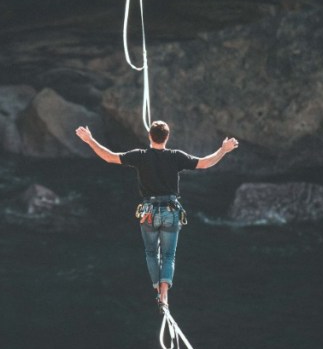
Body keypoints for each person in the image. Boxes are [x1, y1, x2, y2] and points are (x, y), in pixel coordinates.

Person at [75, 121, 238, 310]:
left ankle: (157, 289)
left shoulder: (140, 156)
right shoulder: (176, 156)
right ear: (167, 137)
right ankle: (164, 294)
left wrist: (90, 140)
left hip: (149, 212)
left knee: (152, 253)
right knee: (168, 256)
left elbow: (110, 157)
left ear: (149, 136)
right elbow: (205, 163)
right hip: (170, 210)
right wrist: (223, 150)